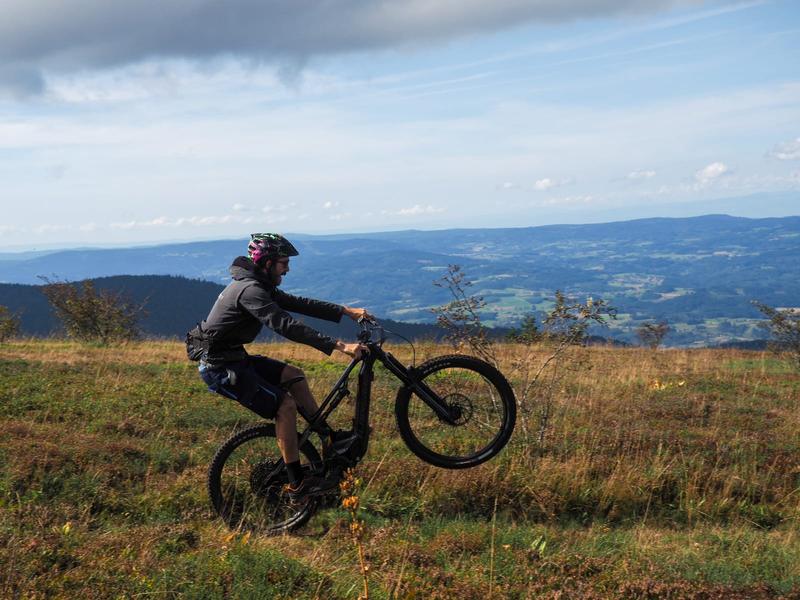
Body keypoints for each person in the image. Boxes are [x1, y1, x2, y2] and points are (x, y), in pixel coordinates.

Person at [187, 233, 371, 500]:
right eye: (283, 262)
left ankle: (329, 440)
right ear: (267, 263)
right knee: (284, 406)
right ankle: (297, 483)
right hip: (219, 368)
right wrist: (341, 346)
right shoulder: (251, 291)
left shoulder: (258, 284)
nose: (288, 268)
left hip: (235, 359)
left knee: (294, 376)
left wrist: (345, 311)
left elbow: (298, 304)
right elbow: (286, 325)